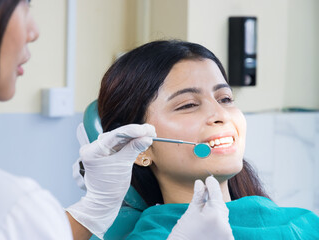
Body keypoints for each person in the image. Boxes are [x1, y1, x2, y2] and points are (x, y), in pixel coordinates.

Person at [0, 1, 156, 239]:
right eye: (22, 5)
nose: (34, 31)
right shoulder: (7, 209)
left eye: (217, 98)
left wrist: (96, 206)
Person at [97, 40, 319, 239]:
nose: (221, 115)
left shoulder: (305, 224)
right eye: (188, 105)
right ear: (138, 148)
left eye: (225, 98)